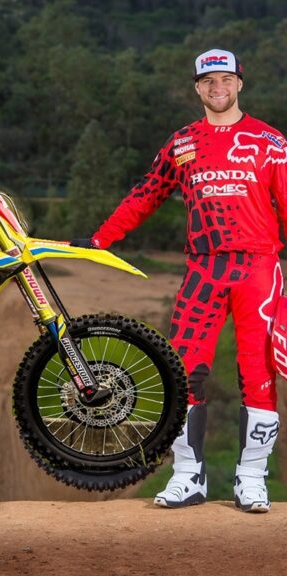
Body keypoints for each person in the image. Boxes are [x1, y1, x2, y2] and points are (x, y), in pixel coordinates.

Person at [71, 48, 287, 512]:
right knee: (183, 370)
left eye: (225, 79)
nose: (217, 88)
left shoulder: (270, 141)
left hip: (258, 268)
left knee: (258, 372)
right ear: (197, 88)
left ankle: (252, 479)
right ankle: (188, 475)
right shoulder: (182, 142)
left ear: (240, 83)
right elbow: (146, 194)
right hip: (203, 268)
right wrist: (102, 238)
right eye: (208, 81)